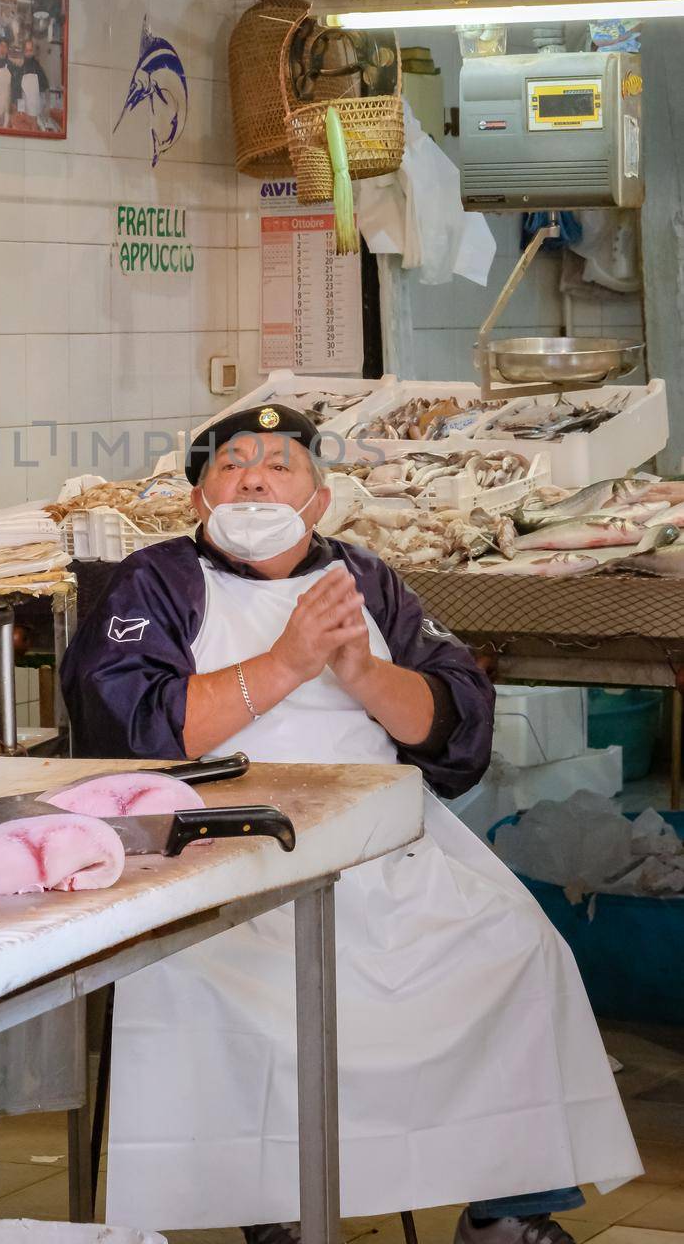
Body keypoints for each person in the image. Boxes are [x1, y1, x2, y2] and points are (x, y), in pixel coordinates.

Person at [60, 404, 641, 1244]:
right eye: (230, 465)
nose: (253, 477)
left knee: (513, 943)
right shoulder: (153, 581)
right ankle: (276, 1209)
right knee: (232, 984)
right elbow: (127, 731)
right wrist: (284, 664)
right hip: (223, 854)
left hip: (380, 846)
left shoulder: (367, 581)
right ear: (196, 501)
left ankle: (507, 1211)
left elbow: (455, 723)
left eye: (278, 465)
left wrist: (362, 672)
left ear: (319, 501)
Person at [17, 36, 51, 122]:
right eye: (27, 50)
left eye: (30, 50)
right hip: (24, 111)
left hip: (36, 111)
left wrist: (47, 106)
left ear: (33, 52)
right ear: (24, 52)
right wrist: (21, 111)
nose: (29, 53)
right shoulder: (21, 68)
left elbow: (46, 87)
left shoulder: (38, 67)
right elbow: (18, 92)